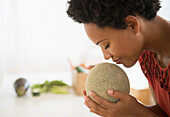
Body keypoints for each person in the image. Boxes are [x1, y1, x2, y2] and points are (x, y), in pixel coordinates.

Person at [66, 0, 170, 116]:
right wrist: (128, 110)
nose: (106, 56)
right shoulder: (147, 55)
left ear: (132, 25)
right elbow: (164, 112)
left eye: (106, 45)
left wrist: (138, 113)